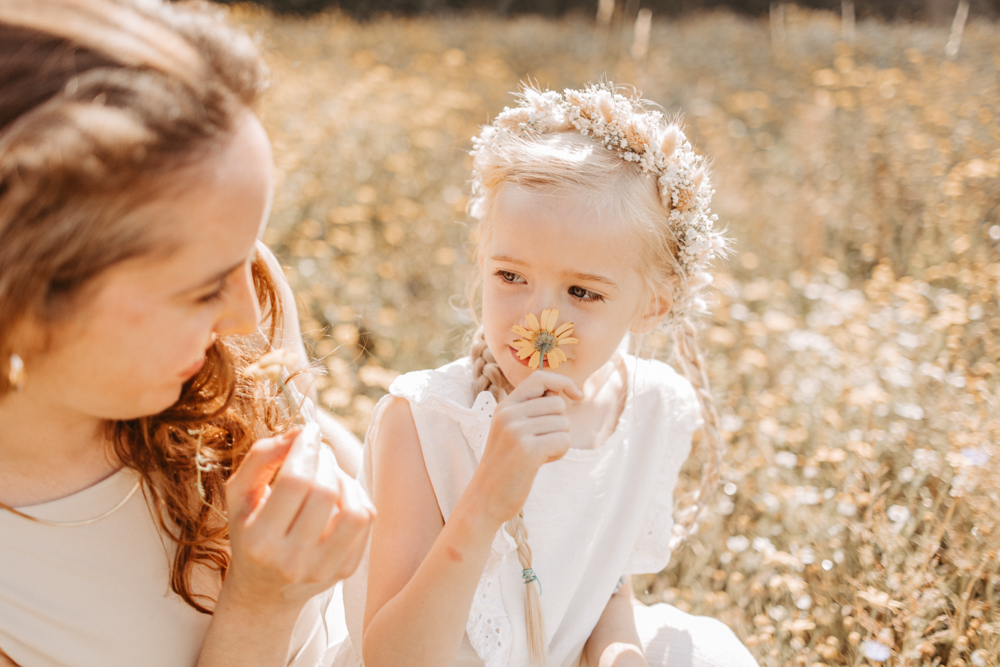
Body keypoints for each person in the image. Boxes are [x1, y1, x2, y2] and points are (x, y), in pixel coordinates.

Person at [330, 84, 760, 667]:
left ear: (654, 305)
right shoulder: (425, 421)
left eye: (582, 291)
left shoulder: (655, 407)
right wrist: (484, 502)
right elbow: (393, 659)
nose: (539, 318)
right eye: (510, 277)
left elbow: (604, 583)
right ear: (482, 261)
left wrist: (618, 652)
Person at [0, 1, 372, 665]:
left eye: (248, 251)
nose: (249, 318)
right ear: (26, 295)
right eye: (202, 288)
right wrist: (261, 606)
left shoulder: (245, 293)